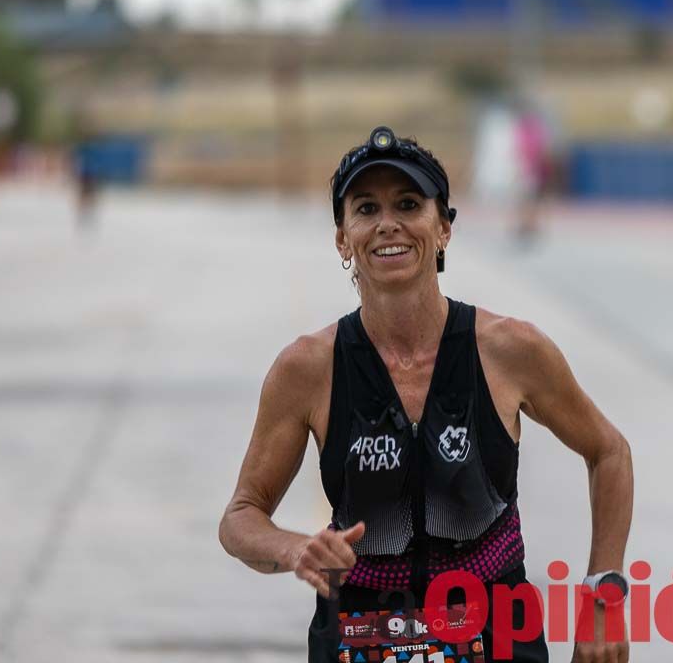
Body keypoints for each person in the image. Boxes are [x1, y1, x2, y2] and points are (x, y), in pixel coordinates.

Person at [219, 127, 634, 662]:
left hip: (493, 631)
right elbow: (241, 517)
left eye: (409, 204)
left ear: (443, 228)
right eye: (366, 208)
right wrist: (296, 547)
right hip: (360, 633)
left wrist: (603, 598)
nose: (387, 223)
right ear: (343, 238)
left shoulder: (510, 349)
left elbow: (609, 452)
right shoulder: (308, 368)